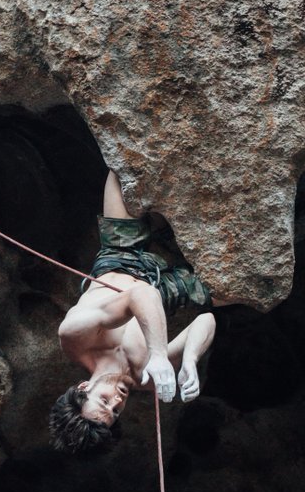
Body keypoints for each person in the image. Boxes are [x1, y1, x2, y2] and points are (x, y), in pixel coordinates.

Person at [49, 171, 217, 455]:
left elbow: (139, 295)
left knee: (122, 172)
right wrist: (190, 358)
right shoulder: (144, 378)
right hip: (168, 290)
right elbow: (206, 320)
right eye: (115, 412)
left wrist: (160, 355)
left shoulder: (75, 338)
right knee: (246, 290)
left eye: (104, 401)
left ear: (83, 387)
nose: (117, 401)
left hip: (122, 258)